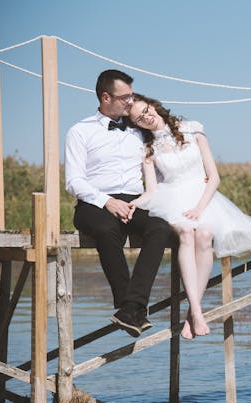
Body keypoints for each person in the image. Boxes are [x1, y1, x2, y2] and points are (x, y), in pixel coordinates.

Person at [127, 94, 251, 340]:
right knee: (186, 233)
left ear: (154, 105)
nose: (147, 117)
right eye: (140, 119)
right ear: (138, 125)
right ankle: (196, 312)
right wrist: (132, 203)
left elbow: (214, 177)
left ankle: (191, 316)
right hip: (171, 198)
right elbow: (151, 190)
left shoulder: (193, 129)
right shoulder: (148, 150)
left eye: (146, 110)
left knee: (204, 235)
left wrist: (199, 208)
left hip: (203, 196)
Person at [65, 70, 172, 338]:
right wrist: (107, 201)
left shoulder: (138, 132)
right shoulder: (80, 131)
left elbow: (164, 148)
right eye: (124, 97)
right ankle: (130, 306)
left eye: (131, 96)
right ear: (105, 97)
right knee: (105, 230)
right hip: (94, 202)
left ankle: (131, 308)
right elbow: (73, 181)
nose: (129, 101)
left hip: (135, 201)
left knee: (160, 227)